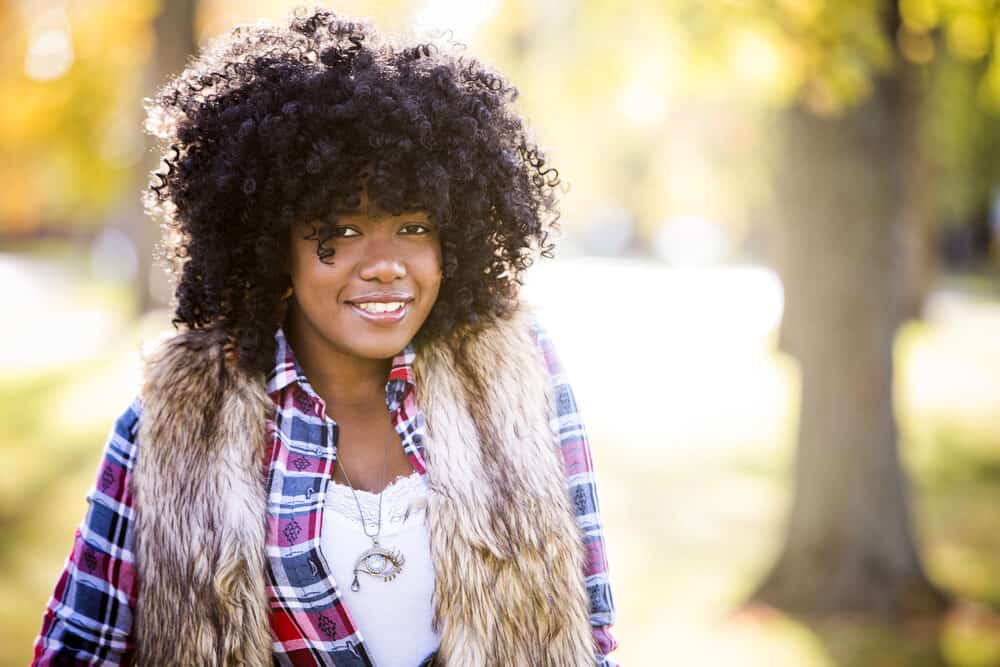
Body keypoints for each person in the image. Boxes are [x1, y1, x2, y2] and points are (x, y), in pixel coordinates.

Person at [31, 8, 617, 666]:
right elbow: (79, 647)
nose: (386, 261)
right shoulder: (177, 418)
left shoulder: (521, 376)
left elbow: (592, 628)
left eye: (415, 226)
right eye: (339, 231)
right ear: (273, 239)